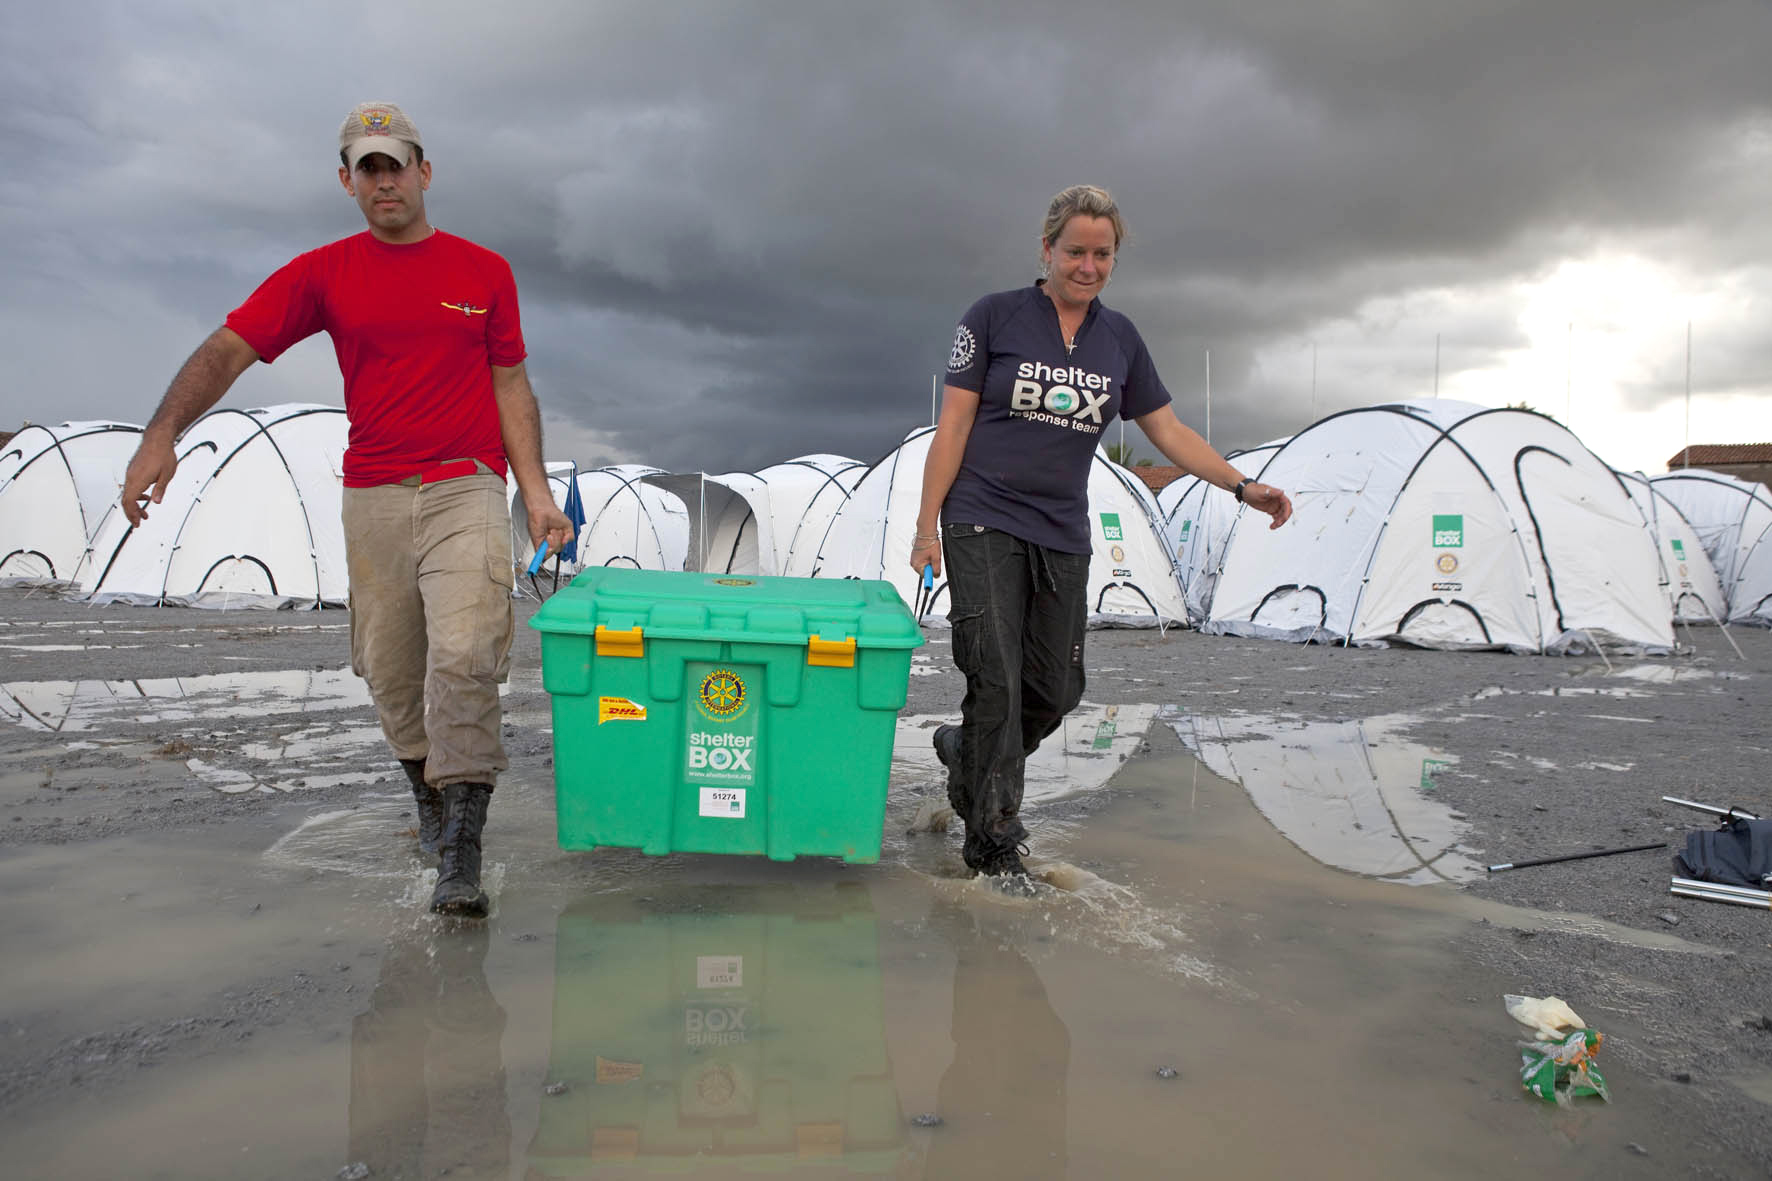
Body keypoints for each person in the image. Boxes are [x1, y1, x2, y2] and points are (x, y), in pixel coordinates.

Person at [119, 101, 572, 916]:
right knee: (393, 671)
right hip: (371, 492)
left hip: (466, 483)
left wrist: (535, 492)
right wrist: (162, 431)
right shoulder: (324, 273)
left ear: (425, 170)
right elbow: (230, 347)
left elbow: (512, 385)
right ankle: (431, 807)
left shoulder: (484, 271)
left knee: (465, 654)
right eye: (368, 168)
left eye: (397, 163)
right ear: (347, 182)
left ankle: (461, 857)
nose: (385, 179)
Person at [911, 184, 1291, 881]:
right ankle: (994, 846)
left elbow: (1168, 430)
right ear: (1047, 249)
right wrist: (926, 525)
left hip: (1061, 529)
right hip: (980, 517)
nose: (1088, 266)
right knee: (995, 674)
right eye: (1075, 252)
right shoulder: (993, 318)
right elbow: (954, 425)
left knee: (1054, 690)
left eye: (1103, 254)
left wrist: (1240, 485)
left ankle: (965, 751)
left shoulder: (1120, 340)